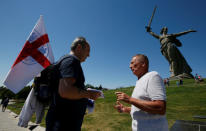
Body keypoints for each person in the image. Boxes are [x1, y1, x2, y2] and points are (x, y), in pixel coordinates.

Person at [46, 37, 101, 131]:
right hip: (64, 123)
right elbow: (66, 91)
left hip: (61, 120)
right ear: (79, 47)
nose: (88, 55)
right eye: (87, 51)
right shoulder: (71, 61)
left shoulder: (66, 60)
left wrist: (84, 93)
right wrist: (89, 94)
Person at [114, 54, 168, 131]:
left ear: (143, 64)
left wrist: (130, 99)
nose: (130, 66)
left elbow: (160, 107)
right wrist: (125, 109)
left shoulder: (152, 76)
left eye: (132, 63)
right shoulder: (139, 81)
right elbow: (140, 108)